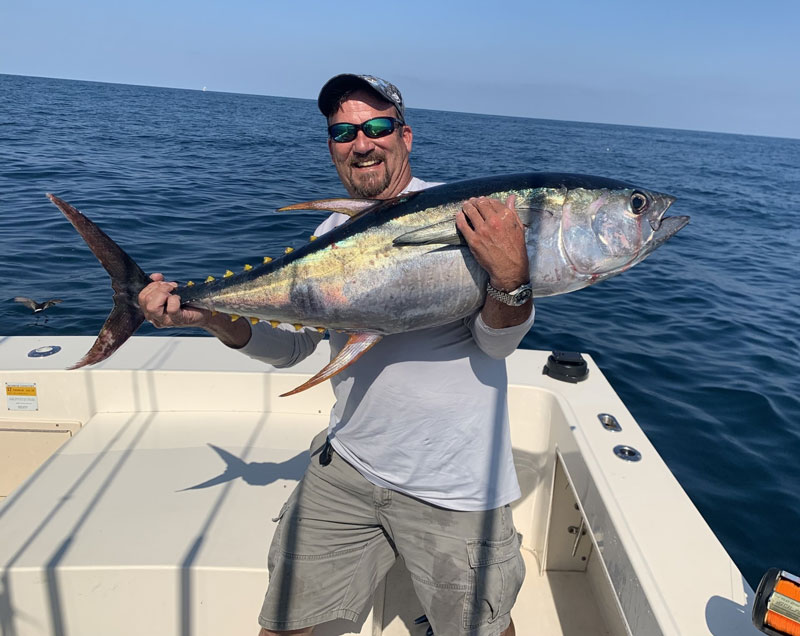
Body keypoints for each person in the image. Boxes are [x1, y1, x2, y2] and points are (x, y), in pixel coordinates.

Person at [138, 74, 534, 636]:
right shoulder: (332, 231)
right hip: (347, 467)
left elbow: (500, 341)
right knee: (283, 628)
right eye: (343, 132)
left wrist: (512, 276)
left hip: (456, 486)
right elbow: (295, 346)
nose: (361, 143)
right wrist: (209, 315)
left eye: (377, 127)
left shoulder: (472, 217)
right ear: (331, 146)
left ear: (405, 136)